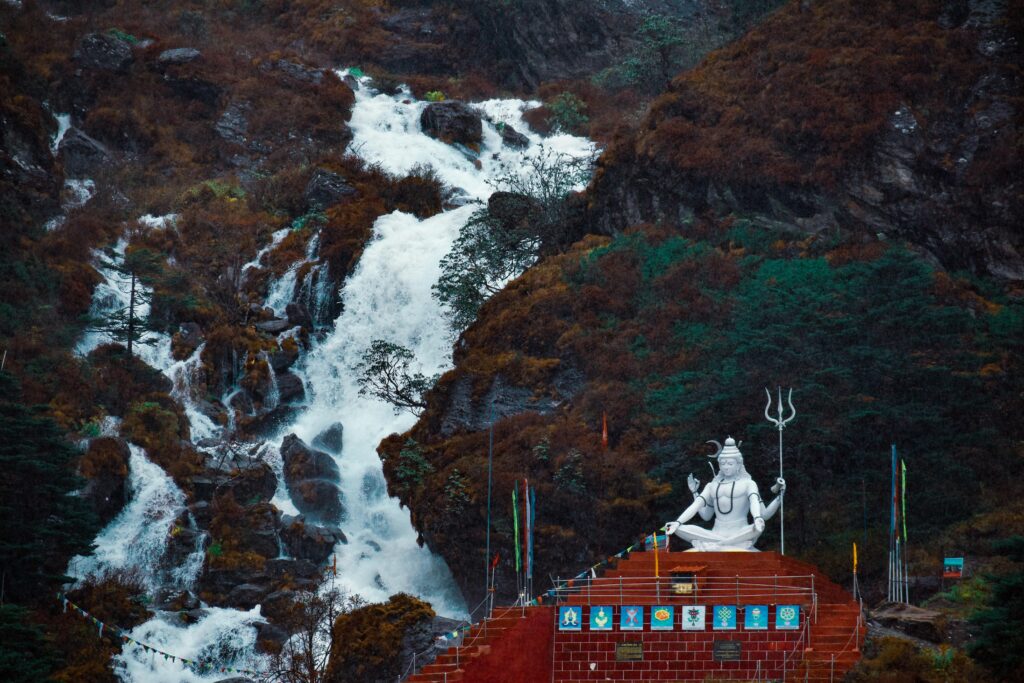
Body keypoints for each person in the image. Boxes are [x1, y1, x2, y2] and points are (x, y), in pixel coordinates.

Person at [664, 437, 786, 551]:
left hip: (741, 531)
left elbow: (757, 506)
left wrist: (758, 517)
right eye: (723, 464)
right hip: (715, 533)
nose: (726, 467)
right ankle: (727, 543)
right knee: (678, 528)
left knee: (758, 527)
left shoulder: (748, 483)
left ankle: (717, 545)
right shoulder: (712, 485)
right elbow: (701, 511)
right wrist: (679, 521)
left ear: (738, 465)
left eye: (730, 463)